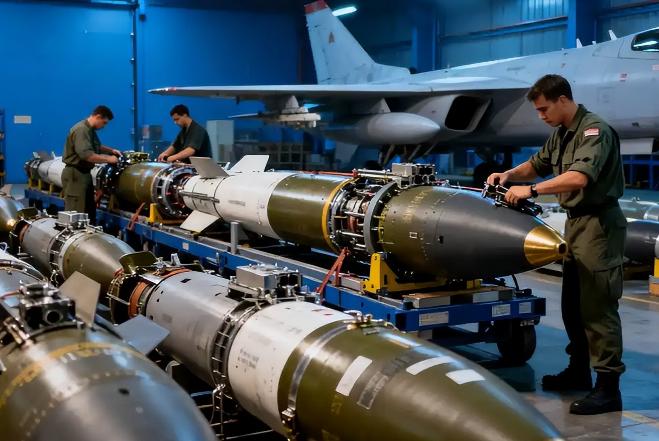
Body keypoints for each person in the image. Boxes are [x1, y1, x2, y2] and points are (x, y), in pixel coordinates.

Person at [487, 74, 626, 415]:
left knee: (597, 307)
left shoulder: (594, 131)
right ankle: (579, 370)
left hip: (598, 226)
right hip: (575, 225)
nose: (541, 116)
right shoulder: (562, 133)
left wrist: (532, 191)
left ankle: (608, 388)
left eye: (544, 109)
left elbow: (579, 177)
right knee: (573, 306)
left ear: (563, 99)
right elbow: (537, 165)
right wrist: (509, 175)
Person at [62, 105, 121, 224]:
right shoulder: (81, 130)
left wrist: (111, 150)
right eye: (104, 123)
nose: (104, 126)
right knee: (77, 214)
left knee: (88, 212)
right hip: (76, 175)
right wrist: (109, 159)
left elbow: (95, 146)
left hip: (83, 174)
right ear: (98, 117)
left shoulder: (89, 130)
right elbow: (87, 155)